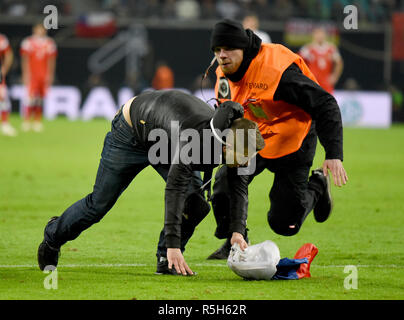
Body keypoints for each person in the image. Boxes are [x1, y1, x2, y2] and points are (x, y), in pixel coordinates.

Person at [37, 89, 265, 276]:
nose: (247, 162)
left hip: (165, 136)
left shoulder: (237, 141)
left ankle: (166, 261)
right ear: (225, 146)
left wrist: (237, 231)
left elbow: (239, 187)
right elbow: (174, 189)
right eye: (244, 157)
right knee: (98, 205)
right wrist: (174, 244)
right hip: (131, 133)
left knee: (196, 205)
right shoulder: (196, 141)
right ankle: (52, 237)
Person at [206, 19, 348, 259]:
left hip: (294, 137)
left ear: (243, 48)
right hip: (255, 132)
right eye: (218, 50)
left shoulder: (277, 71)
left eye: (228, 49)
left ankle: (317, 186)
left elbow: (325, 103)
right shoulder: (222, 74)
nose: (222, 55)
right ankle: (237, 240)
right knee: (223, 186)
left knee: (284, 223)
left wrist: (333, 153)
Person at [20, 23, 57, 132]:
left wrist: (50, 74)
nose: (40, 31)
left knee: (40, 98)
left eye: (42, 29)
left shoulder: (49, 43)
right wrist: (25, 73)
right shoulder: (28, 42)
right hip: (32, 74)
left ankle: (37, 121)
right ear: (34, 29)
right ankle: (26, 121)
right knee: (30, 98)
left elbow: (51, 60)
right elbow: (25, 59)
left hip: (43, 74)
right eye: (38, 29)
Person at [299, 27, 344, 94]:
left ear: (325, 35)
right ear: (314, 36)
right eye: (317, 34)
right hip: (313, 81)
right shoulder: (308, 48)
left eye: (321, 34)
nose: (319, 36)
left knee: (328, 101)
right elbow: (299, 62)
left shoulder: (331, 49)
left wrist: (334, 76)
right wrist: (304, 77)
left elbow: (339, 63)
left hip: (326, 82)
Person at [0, 33, 17, 137]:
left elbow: (9, 54)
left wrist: (4, 69)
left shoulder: (1, 39)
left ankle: (5, 124)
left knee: (2, 98)